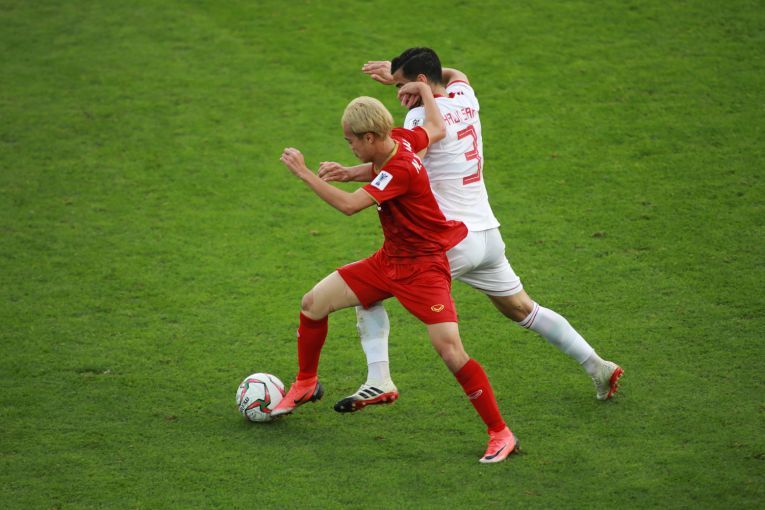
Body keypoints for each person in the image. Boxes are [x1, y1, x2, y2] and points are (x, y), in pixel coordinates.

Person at [318, 48, 623, 413]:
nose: (398, 95)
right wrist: (410, 75)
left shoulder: (419, 118)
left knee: (366, 290)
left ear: (420, 83)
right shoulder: (465, 99)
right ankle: (598, 366)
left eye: (400, 87)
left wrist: (350, 173)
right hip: (488, 235)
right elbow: (455, 74)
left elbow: (402, 164)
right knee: (522, 308)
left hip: (448, 240)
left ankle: (379, 379)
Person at [275, 81, 519, 463]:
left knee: (450, 351)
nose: (349, 147)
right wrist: (424, 92)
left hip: (424, 270)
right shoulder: (402, 139)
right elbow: (436, 128)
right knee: (313, 303)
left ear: (370, 137)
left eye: (350, 141)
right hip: (388, 261)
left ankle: (500, 433)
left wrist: (306, 174)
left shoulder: (400, 168)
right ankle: (306, 382)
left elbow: (350, 207)